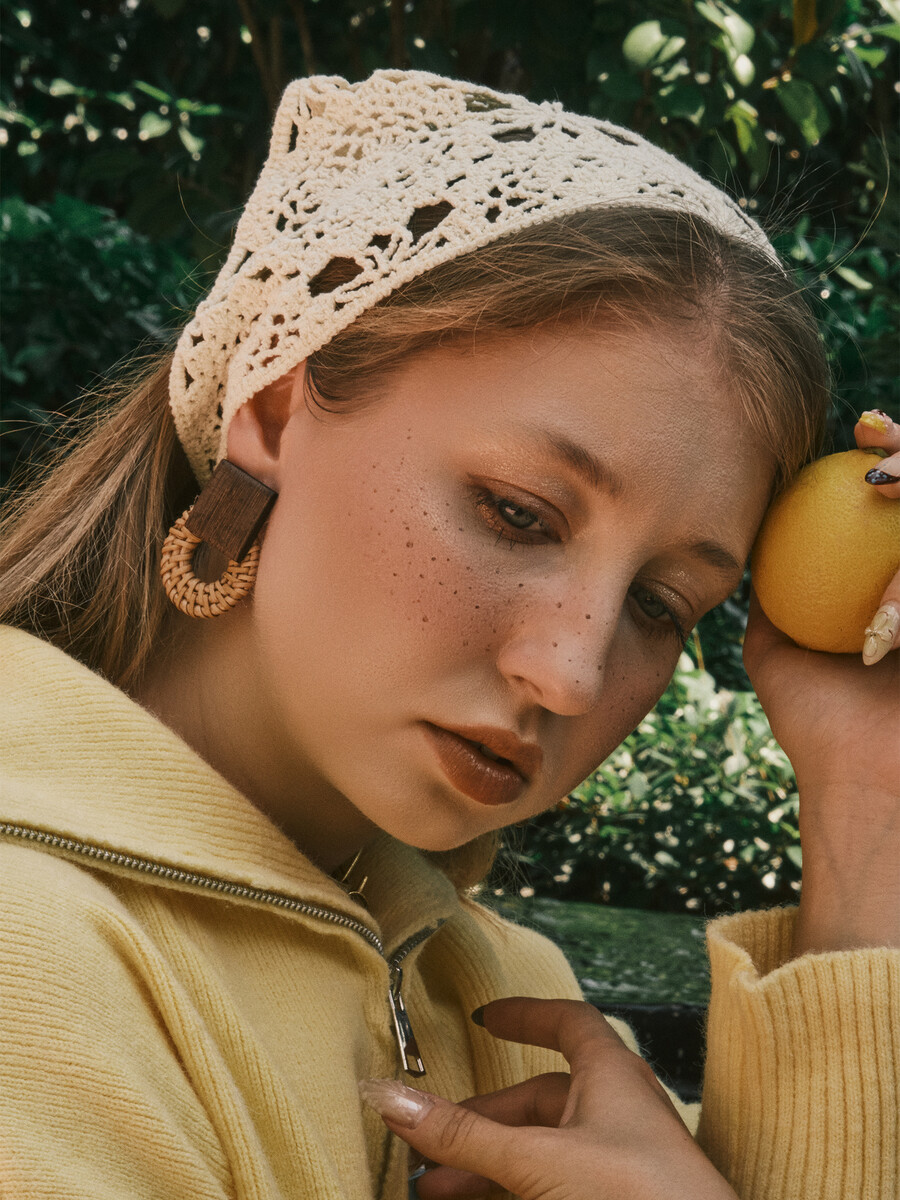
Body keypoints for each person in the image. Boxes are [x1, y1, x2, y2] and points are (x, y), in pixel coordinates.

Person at [0, 69, 896, 1200]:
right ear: (272, 408)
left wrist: (869, 803)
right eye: (517, 514)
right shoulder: (28, 954)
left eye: (661, 605)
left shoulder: (518, 1002)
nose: (571, 676)